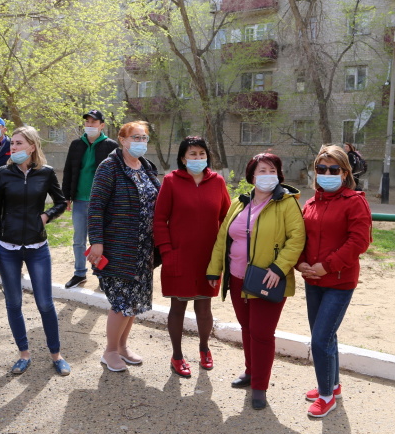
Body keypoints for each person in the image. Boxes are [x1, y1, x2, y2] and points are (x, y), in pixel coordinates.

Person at [206, 153, 305, 410]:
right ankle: (251, 372)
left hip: (268, 280)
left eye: (272, 170)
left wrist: (279, 267)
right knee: (247, 328)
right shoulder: (239, 203)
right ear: (252, 175)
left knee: (262, 333)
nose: (267, 175)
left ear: (279, 174)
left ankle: (260, 387)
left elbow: (296, 239)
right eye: (262, 170)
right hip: (238, 279)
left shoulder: (286, 203)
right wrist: (214, 271)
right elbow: (222, 239)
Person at [0, 126, 71, 376]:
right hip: (7, 248)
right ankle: (24, 354)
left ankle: (56, 354)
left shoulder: (45, 173)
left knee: (45, 303)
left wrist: (45, 216)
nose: (14, 148)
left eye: (19, 144)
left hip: (37, 248)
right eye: (13, 144)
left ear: (32, 146)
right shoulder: (3, 173)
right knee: (14, 303)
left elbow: (61, 202)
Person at [296, 145, 372, 418]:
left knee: (320, 339)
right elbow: (301, 237)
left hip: (339, 282)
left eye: (333, 169)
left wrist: (326, 266)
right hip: (313, 280)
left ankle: (326, 396)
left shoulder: (355, 201)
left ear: (345, 173)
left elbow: (359, 241)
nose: (326, 174)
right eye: (321, 169)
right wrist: (300, 262)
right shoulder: (311, 202)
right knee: (327, 337)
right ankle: (332, 385)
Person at [153, 136, 230, 378]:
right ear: (183, 158)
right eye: (192, 154)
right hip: (178, 255)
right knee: (178, 306)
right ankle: (177, 355)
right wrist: (166, 251)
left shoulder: (217, 182)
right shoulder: (171, 181)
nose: (198, 158)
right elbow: (159, 219)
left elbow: (227, 219)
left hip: (209, 258)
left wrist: (224, 254)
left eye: (201, 154)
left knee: (204, 306)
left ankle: (204, 349)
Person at [88, 121, 160, 373]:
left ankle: (122, 346)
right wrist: (96, 241)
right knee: (121, 302)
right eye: (135, 137)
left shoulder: (147, 167)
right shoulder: (109, 167)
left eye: (144, 138)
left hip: (143, 251)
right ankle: (109, 351)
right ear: (122, 139)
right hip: (118, 249)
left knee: (133, 303)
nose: (141, 142)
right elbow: (96, 206)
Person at [61, 110, 119, 289]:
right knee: (79, 239)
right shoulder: (76, 144)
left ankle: (102, 276)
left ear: (102, 125)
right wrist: (66, 197)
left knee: (101, 241)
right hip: (79, 199)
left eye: (94, 122)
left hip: (102, 202)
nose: (90, 125)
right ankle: (79, 274)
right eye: (87, 122)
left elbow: (115, 174)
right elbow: (69, 170)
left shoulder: (111, 146)